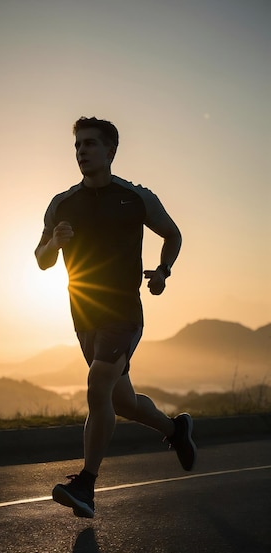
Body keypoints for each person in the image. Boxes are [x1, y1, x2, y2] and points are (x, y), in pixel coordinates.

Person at [35, 116, 197, 519]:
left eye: (90, 144)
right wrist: (53, 243)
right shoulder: (62, 204)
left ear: (110, 151)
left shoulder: (136, 197)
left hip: (123, 312)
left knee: (97, 384)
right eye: (77, 146)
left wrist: (162, 272)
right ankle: (175, 431)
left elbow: (173, 234)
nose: (82, 152)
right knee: (122, 401)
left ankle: (86, 485)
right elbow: (41, 261)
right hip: (83, 315)